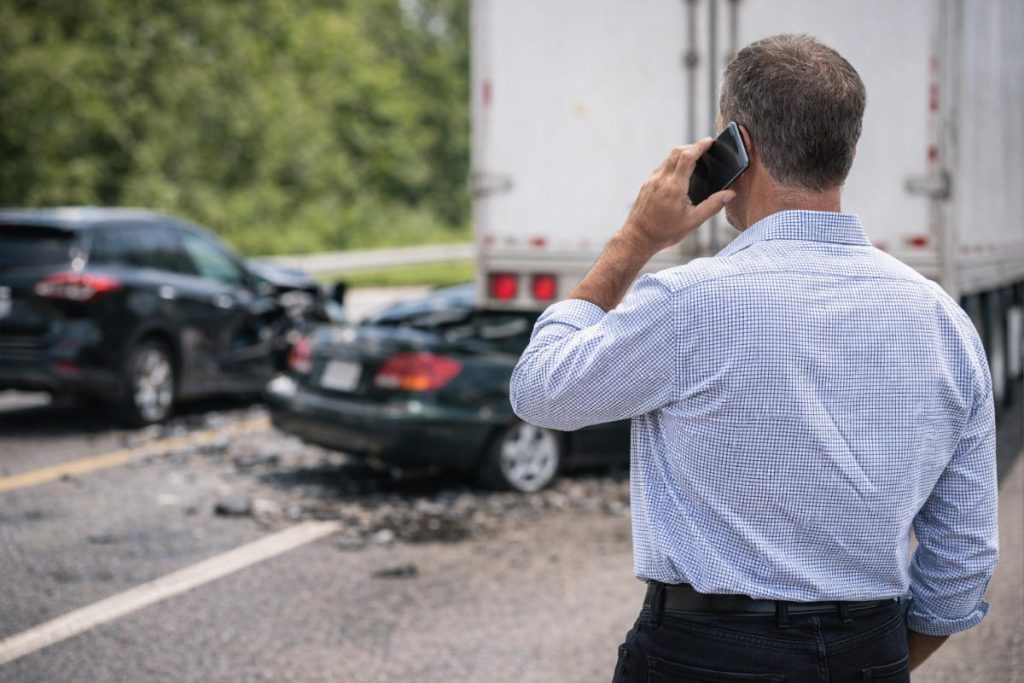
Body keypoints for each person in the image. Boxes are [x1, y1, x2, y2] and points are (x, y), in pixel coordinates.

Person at [509, 34, 997, 681]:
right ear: (847, 153)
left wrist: (637, 239)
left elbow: (541, 389)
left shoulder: (688, 301)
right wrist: (874, 664)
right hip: (868, 654)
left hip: (701, 654)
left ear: (739, 150)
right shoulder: (942, 320)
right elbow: (962, 557)